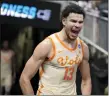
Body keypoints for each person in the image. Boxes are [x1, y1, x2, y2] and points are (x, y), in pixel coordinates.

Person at [19, 3, 92, 95]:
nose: (77, 25)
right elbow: (24, 78)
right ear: (64, 21)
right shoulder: (47, 45)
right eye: (73, 21)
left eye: (80, 22)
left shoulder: (83, 47)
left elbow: (86, 80)